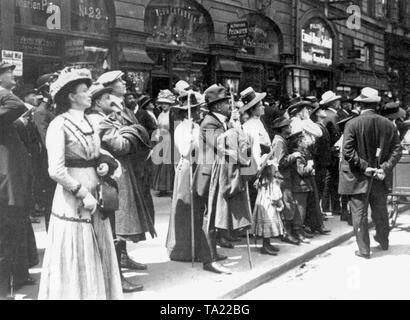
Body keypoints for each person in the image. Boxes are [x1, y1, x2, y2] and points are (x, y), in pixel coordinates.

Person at [38, 68, 122, 300]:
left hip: (97, 193)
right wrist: (82, 192)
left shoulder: (90, 122)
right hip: (73, 198)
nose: (89, 94)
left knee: (98, 248)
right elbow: (55, 170)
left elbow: (99, 152)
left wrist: (106, 163)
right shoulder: (58, 124)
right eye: (84, 91)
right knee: (78, 250)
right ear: (71, 97)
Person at [97, 70, 155, 291]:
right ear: (110, 86)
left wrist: (134, 132)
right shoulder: (108, 109)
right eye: (120, 81)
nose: (124, 83)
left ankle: (122, 258)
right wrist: (135, 133)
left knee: (124, 219)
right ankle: (117, 274)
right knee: (119, 220)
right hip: (117, 169)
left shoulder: (123, 106)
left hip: (130, 167)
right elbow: (121, 140)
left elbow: (136, 132)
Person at [339, 87, 402, 259]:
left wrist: (364, 166)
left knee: (359, 213)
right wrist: (384, 167)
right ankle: (383, 241)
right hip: (380, 177)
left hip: (358, 177)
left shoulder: (352, 124)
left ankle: (364, 249)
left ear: (360, 105)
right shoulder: (388, 124)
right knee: (380, 211)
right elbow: (397, 150)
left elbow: (348, 151)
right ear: (376, 105)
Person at [0, 62, 38, 299]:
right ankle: (5, 291)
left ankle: (16, 279)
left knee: (13, 234)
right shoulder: (8, 101)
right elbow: (17, 104)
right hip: (7, 184)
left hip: (12, 183)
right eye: (9, 75)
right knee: (7, 238)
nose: (14, 79)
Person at [192, 84, 234, 274]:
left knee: (214, 213)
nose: (229, 105)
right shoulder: (209, 123)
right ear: (216, 106)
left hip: (217, 175)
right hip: (208, 176)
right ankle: (208, 260)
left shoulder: (220, 121)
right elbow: (222, 145)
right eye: (226, 103)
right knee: (208, 217)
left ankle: (213, 253)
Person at [166, 92, 202, 261]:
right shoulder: (181, 129)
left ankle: (195, 247)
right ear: (189, 112)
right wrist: (190, 137)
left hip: (197, 167)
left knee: (195, 206)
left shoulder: (197, 127)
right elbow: (185, 151)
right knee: (185, 207)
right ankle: (182, 248)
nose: (199, 112)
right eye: (196, 110)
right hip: (187, 167)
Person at [271, 116, 301, 245]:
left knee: (288, 204)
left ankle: (288, 232)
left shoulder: (281, 140)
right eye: (288, 126)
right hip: (282, 178)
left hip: (284, 177)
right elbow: (281, 162)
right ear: (283, 129)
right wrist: (294, 156)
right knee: (286, 205)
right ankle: (286, 233)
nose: (290, 128)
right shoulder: (279, 141)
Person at [319, 91, 342, 216]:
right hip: (333, 151)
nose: (339, 102)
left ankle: (327, 206)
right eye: (337, 100)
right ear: (333, 103)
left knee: (329, 179)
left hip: (327, 151)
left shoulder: (325, 114)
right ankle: (331, 206)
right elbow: (336, 133)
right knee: (332, 179)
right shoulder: (333, 116)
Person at [152, 90, 176, 196]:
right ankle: (161, 187)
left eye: (166, 103)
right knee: (159, 163)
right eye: (162, 103)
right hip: (161, 139)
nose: (164, 105)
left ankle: (169, 186)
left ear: (170, 104)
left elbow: (174, 128)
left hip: (169, 139)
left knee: (168, 163)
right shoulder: (161, 114)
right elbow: (158, 127)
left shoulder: (172, 114)